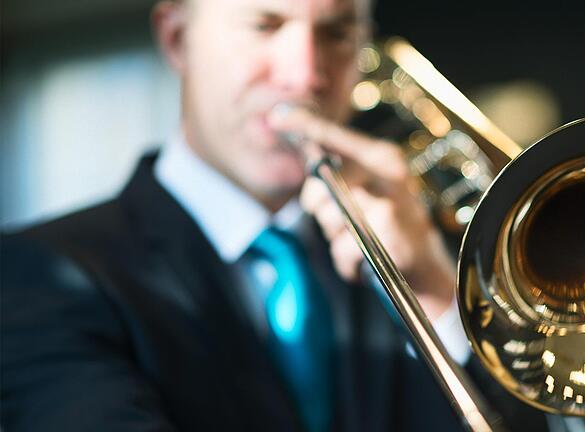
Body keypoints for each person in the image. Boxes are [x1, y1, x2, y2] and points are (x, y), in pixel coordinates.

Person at [1, 0, 550, 430]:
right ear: (177, 39)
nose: (305, 74)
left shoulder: (415, 268)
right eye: (265, 24)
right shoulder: (38, 273)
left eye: (336, 32)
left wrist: (432, 290)